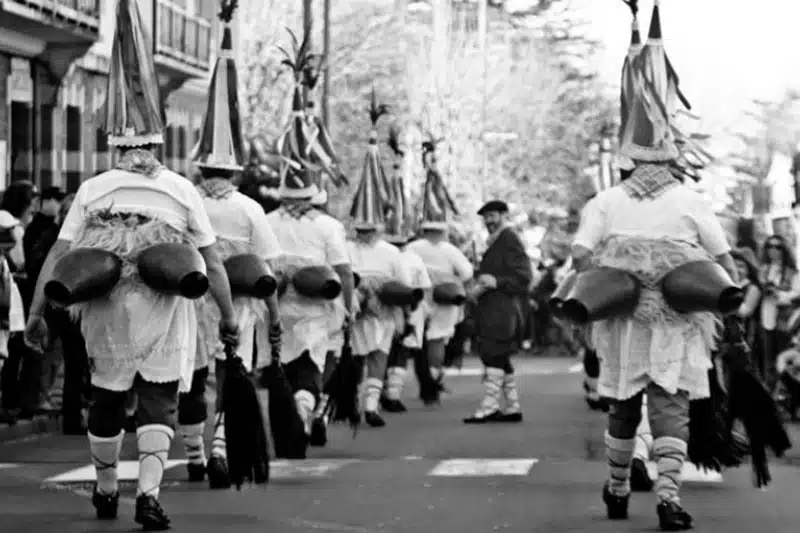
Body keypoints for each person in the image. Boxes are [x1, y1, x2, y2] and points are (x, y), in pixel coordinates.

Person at [23, 1, 238, 529]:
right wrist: (229, 318)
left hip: (106, 307)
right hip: (164, 309)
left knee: (107, 395)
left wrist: (36, 311)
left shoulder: (95, 188)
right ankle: (148, 495)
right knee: (159, 400)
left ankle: (104, 487)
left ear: (112, 137)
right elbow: (209, 262)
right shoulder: (182, 189)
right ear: (158, 137)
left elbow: (59, 254)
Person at [572, 2, 737, 529]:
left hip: (621, 319)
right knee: (672, 406)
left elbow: (580, 259)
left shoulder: (605, 201)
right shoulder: (692, 202)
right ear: (671, 154)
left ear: (628, 154)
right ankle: (668, 498)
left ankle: (618, 488)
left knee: (624, 406)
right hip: (677, 317)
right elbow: (723, 262)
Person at [178, 10, 283, 490]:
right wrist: (275, 317)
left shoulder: (185, 201)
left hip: (185, 303)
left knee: (187, 379)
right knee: (227, 372)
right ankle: (219, 447)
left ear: (201, 166)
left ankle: (195, 454)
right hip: (234, 304)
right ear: (236, 169)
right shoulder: (250, 210)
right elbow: (267, 269)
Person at [406, 141, 472, 402]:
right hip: (443, 300)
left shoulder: (411, 247)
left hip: (418, 300)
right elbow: (466, 274)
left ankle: (425, 382)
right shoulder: (450, 250)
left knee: (419, 341)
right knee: (436, 342)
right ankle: (432, 382)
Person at [464, 200, 532, 423]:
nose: (489, 221)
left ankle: (490, 406)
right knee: (500, 358)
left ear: (504, 215)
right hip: (493, 309)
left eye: (493, 216)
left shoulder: (508, 238)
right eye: (486, 217)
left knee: (493, 355)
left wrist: (497, 281)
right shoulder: (496, 241)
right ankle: (513, 406)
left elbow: (524, 277)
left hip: (503, 311)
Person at [0, 180, 44, 422]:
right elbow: (20, 261)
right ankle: (11, 402)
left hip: (9, 291)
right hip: (8, 292)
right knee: (11, 351)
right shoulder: (12, 226)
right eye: (32, 202)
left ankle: (10, 402)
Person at [758, 234, 799, 390]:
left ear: (784, 250)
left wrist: (778, 294)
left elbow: (796, 293)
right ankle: (769, 390)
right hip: (765, 318)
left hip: (784, 320)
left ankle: (783, 392)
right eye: (770, 246)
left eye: (777, 247)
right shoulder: (763, 270)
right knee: (766, 358)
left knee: (782, 357)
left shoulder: (792, 271)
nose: (773, 250)